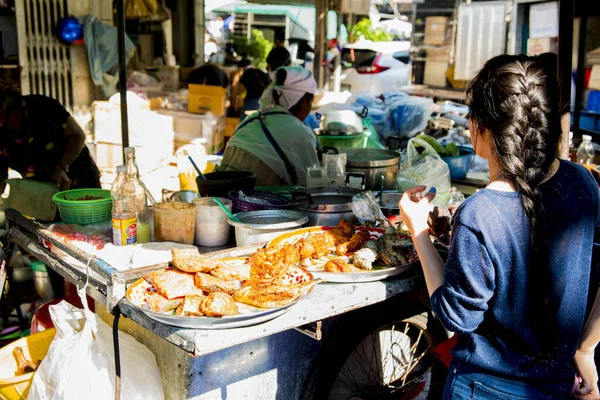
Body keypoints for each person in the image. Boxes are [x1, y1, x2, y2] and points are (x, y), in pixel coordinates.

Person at [399, 54, 600, 398]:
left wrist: (418, 230)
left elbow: (455, 317)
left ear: (483, 127)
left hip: (483, 389)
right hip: (555, 385)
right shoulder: (582, 183)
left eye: (469, 116)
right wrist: (585, 349)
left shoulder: (481, 213)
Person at [218, 66, 319, 186]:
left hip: (223, 195)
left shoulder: (251, 119)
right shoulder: (301, 133)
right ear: (304, 102)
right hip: (259, 201)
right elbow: (312, 183)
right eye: (310, 102)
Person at [0, 88, 101, 194]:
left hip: (77, 179)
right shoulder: (3, 131)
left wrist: (62, 166)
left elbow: (78, 135)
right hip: (42, 193)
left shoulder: (43, 107)